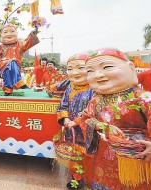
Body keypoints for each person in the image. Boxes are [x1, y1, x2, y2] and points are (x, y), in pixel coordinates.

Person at [81, 48, 151, 189]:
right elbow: (86, 117)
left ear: (130, 68)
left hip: (137, 157)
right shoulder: (96, 98)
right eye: (90, 71)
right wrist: (100, 126)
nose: (98, 75)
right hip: (104, 159)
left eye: (107, 67)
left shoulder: (141, 97)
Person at [55, 54, 94, 189]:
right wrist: (65, 118)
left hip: (88, 130)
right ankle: (77, 179)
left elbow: (93, 109)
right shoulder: (70, 87)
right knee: (74, 154)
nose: (75, 73)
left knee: (88, 156)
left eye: (80, 68)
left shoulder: (95, 88)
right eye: (70, 69)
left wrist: (77, 121)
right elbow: (63, 104)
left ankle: (89, 181)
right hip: (71, 129)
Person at [0, 23, 39, 95]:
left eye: (12, 31)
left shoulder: (19, 44)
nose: (9, 34)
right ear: (1, 35)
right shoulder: (1, 46)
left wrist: (34, 33)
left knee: (11, 64)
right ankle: (18, 82)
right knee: (11, 63)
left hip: (15, 63)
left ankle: (8, 89)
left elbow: (27, 43)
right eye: (5, 32)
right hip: (2, 63)